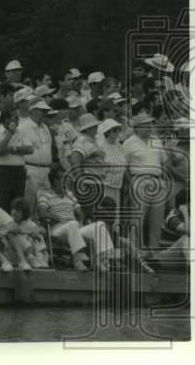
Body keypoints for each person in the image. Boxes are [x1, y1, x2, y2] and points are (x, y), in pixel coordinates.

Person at [37, 166, 114, 271]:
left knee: (100, 224)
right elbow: (42, 213)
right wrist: (59, 219)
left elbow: (80, 212)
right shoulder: (45, 194)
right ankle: (78, 261)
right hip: (57, 229)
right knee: (72, 224)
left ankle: (102, 260)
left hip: (74, 227)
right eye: (63, 178)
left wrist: (81, 221)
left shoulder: (69, 194)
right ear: (55, 180)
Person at [122, 112, 168, 248]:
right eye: (145, 125)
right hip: (139, 181)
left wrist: (164, 181)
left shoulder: (156, 140)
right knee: (138, 220)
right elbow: (123, 166)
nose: (149, 127)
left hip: (158, 181)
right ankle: (136, 250)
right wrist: (131, 183)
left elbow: (164, 161)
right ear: (137, 128)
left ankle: (153, 251)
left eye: (150, 124)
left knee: (157, 220)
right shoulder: (128, 143)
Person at [0, 107, 32, 211]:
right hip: (3, 171)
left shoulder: (20, 132)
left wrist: (12, 149)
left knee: (18, 204)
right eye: (15, 118)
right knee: (2, 203)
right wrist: (9, 134)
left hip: (19, 172)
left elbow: (30, 149)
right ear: (7, 119)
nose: (18, 120)